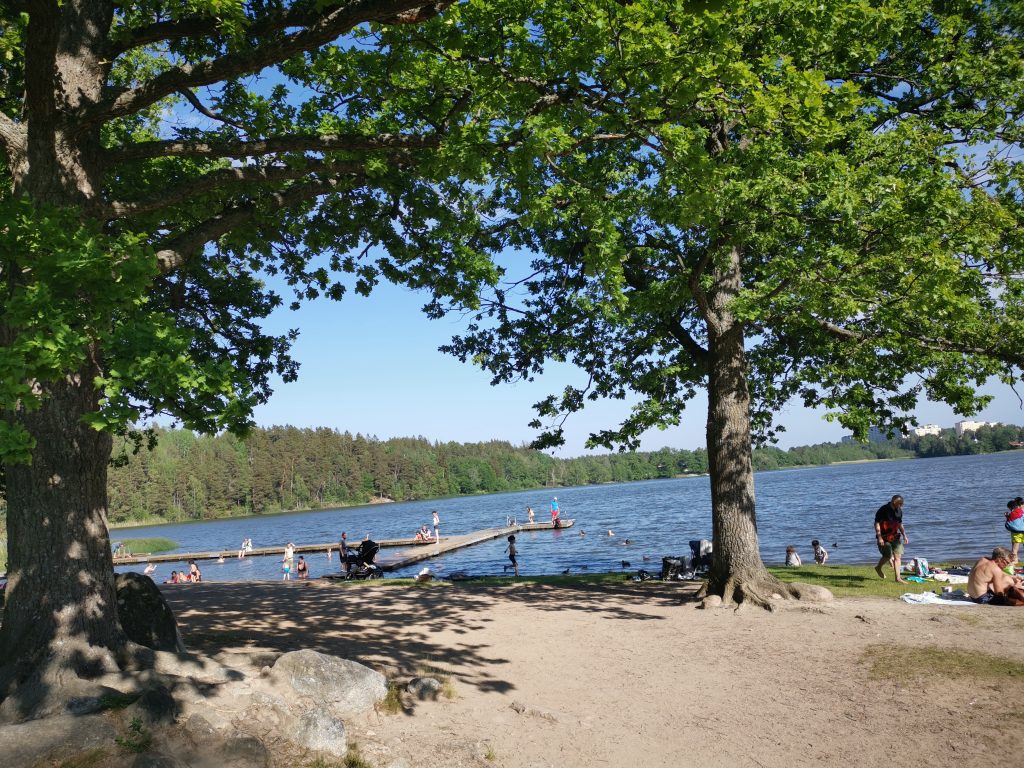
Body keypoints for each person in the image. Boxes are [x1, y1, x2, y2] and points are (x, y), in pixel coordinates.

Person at [874, 494, 909, 582]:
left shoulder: (899, 511)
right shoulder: (883, 510)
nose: (900, 506)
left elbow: (900, 524)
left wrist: (904, 535)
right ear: (894, 502)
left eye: (901, 504)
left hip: (895, 537)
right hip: (884, 537)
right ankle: (878, 568)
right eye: (899, 504)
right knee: (888, 555)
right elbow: (877, 523)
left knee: (898, 557)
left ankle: (898, 578)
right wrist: (879, 537)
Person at [1005, 497, 1024, 565]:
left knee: (1015, 549)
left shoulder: (1013, 512)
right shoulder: (1022, 511)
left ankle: (1015, 561)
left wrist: (1007, 516)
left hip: (1016, 533)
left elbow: (1010, 522)